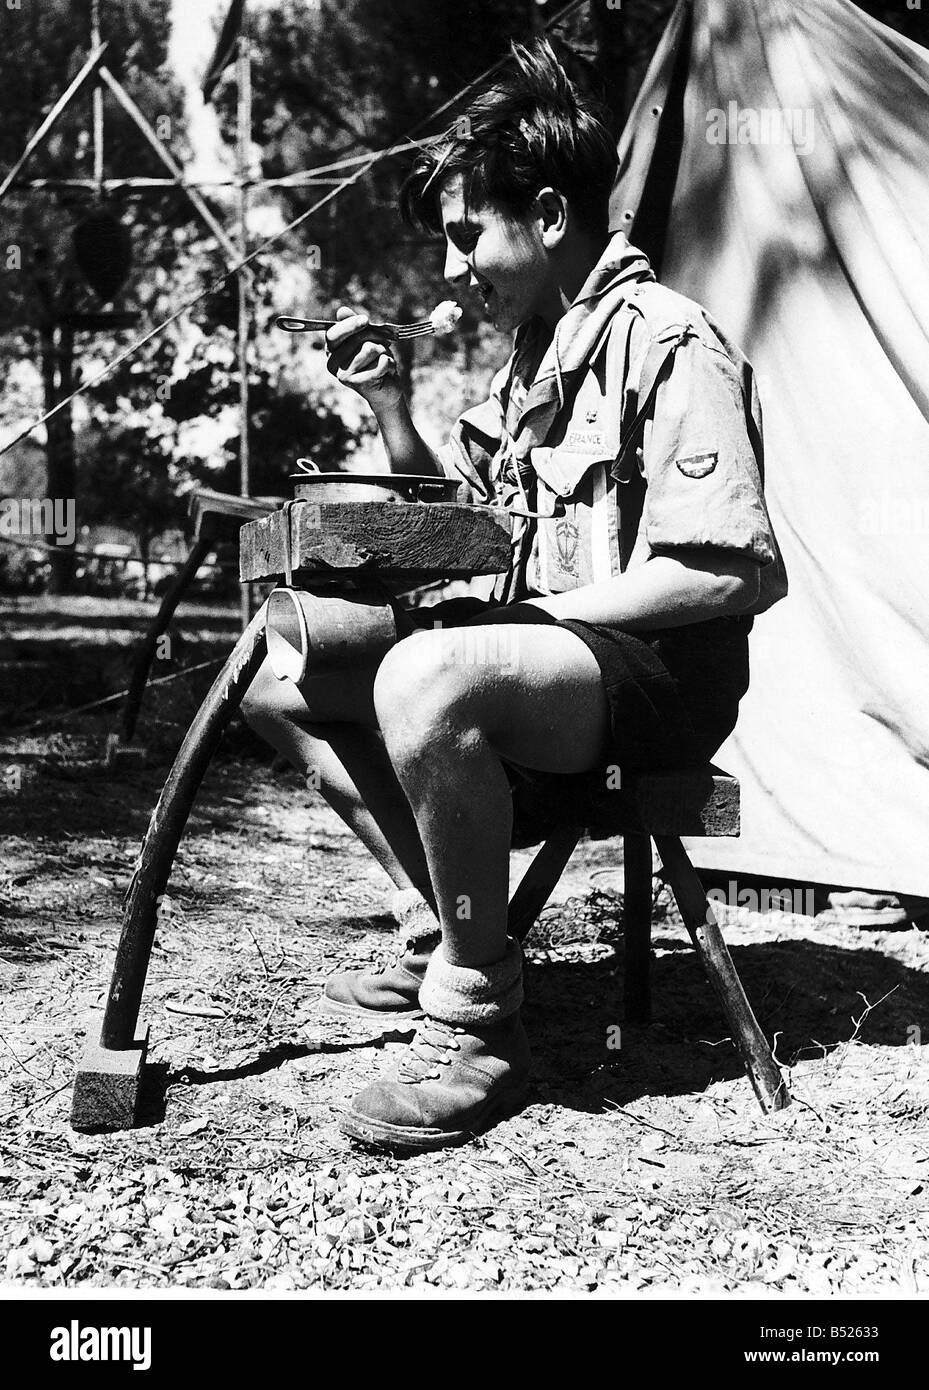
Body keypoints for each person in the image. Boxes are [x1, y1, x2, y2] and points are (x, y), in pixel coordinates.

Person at [241, 38, 787, 1153]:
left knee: (428, 674)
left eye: (462, 235)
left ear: (545, 214)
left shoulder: (666, 342)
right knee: (277, 664)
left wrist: (536, 622)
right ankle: (435, 925)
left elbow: (729, 568)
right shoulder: (528, 358)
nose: (450, 268)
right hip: (537, 662)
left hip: (655, 677)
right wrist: (392, 411)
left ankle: (478, 1020)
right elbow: (476, 535)